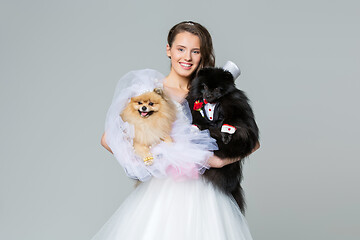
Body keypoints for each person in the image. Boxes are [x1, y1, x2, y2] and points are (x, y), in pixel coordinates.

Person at [93, 21, 259, 240]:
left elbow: (252, 140)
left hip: (207, 193)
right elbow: (109, 139)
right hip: (165, 193)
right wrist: (152, 161)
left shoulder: (211, 92)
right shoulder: (149, 91)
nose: (187, 58)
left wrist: (220, 161)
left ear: (203, 54)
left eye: (195, 51)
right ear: (168, 50)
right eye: (181, 49)